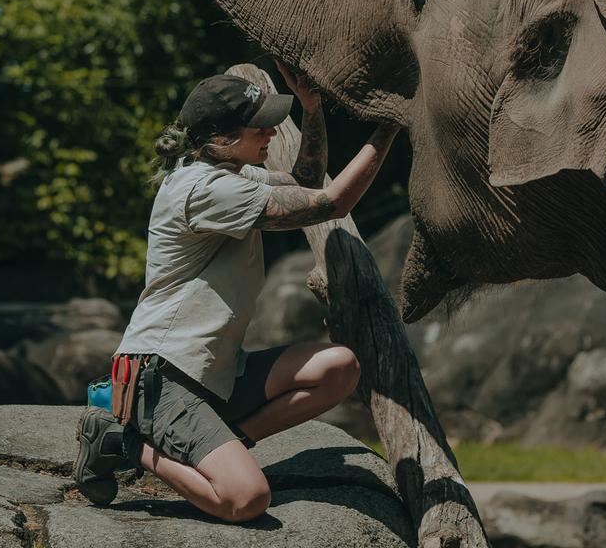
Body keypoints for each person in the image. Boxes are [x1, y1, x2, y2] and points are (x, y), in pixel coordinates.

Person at [73, 60, 400, 522]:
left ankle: (224, 444)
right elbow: (332, 202)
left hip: (215, 373)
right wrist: (388, 129)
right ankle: (122, 440)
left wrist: (312, 108)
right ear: (222, 137)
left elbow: (307, 179)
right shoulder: (205, 190)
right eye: (260, 127)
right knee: (246, 500)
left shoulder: (229, 173)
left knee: (338, 368)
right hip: (163, 378)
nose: (270, 134)